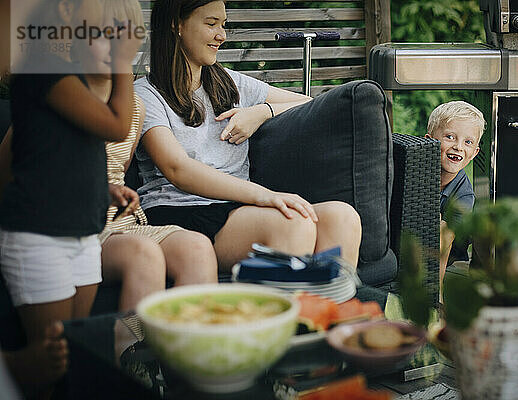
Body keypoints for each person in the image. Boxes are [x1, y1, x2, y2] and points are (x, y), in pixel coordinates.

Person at [134, 0, 362, 273]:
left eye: (223, 24)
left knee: (342, 217)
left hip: (237, 210)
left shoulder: (232, 84)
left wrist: (262, 111)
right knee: (293, 222)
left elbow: (309, 103)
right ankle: (275, 313)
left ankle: (327, 313)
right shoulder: (146, 94)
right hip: (181, 212)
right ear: (176, 25)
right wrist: (264, 196)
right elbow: (177, 169)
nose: (222, 35)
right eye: (211, 24)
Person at [0, 0, 141, 391]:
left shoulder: (73, 83)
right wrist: (124, 63)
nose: (118, 41)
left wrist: (102, 189)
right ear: (67, 12)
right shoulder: (44, 69)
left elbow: (53, 155)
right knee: (51, 364)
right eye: (108, 30)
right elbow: (115, 127)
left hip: (81, 235)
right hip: (38, 237)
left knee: (79, 354)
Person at [77, 0, 217, 312]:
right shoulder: (51, 98)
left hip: (115, 226)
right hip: (66, 229)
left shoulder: (134, 107)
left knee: (197, 246)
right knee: (144, 253)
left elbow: (115, 171)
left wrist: (117, 194)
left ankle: (190, 354)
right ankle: (132, 356)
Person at [425, 101, 485, 286]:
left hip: (448, 257)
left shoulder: (464, 196)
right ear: (429, 140)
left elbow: (444, 243)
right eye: (450, 137)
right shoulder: (416, 171)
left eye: (468, 142)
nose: (458, 147)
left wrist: (436, 293)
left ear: (474, 153)